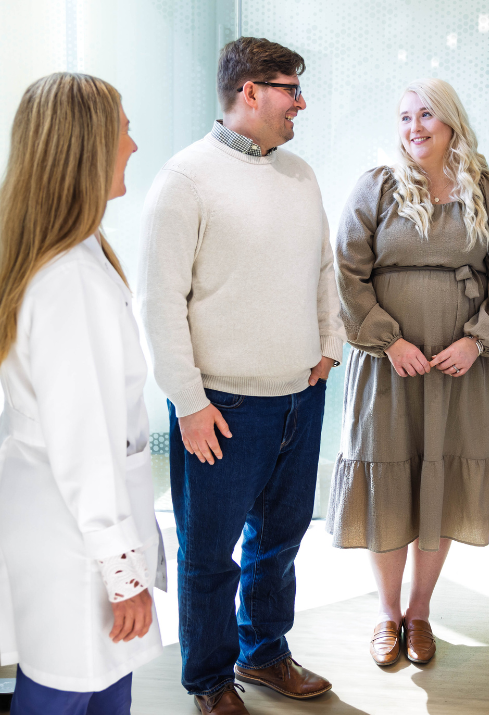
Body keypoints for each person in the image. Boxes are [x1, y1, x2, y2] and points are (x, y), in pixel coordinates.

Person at [139, 37, 345, 715]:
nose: (301, 104)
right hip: (221, 407)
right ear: (250, 92)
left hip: (299, 396)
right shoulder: (185, 180)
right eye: (291, 89)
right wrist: (188, 402)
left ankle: (264, 653)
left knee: (279, 542)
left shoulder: (301, 176)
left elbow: (323, 269)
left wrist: (329, 345)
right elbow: (159, 304)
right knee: (209, 555)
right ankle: (209, 679)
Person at [331, 77, 489, 667]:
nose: (414, 127)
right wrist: (387, 341)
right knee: (388, 482)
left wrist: (479, 341)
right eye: (404, 117)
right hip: (388, 365)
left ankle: (419, 613)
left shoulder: (486, 189)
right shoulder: (376, 185)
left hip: (460, 367)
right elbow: (346, 272)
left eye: (425, 115)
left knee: (438, 483)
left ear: (450, 122)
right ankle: (387, 614)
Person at [0, 72, 163, 715]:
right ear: (84, 148)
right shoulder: (71, 279)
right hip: (74, 533)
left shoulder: (69, 254)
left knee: (101, 682)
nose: (133, 146)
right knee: (65, 689)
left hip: (64, 517)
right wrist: (121, 570)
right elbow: (84, 444)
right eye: (124, 131)